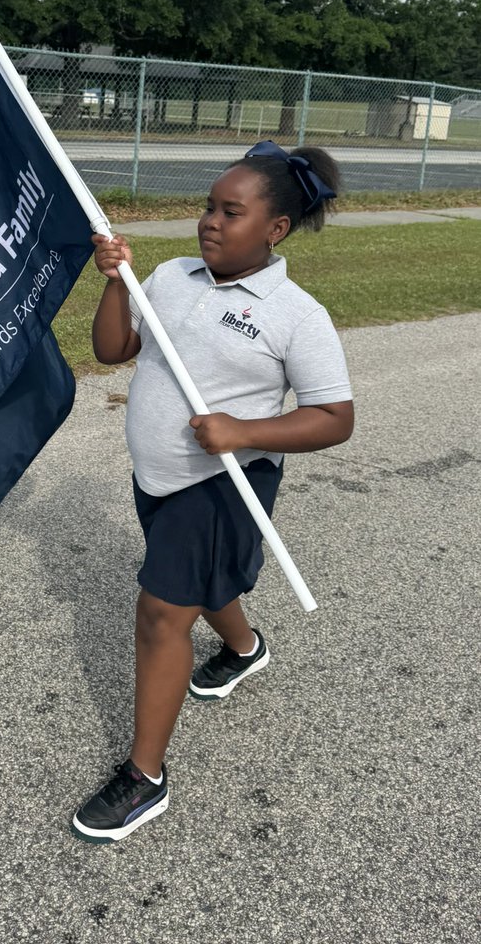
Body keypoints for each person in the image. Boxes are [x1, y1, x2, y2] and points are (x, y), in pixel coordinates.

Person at [72, 140, 355, 844]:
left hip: (225, 482)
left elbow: (334, 418)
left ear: (275, 229)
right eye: (209, 207)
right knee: (201, 582)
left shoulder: (296, 315)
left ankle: (145, 778)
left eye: (232, 212)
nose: (210, 221)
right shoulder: (171, 276)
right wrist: (117, 281)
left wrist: (244, 430)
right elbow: (112, 351)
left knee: (163, 610)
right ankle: (246, 647)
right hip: (159, 476)